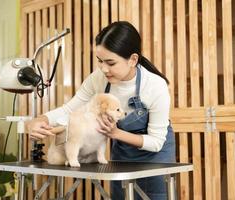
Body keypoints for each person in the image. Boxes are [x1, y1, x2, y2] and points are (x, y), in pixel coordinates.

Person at [28, 21, 175, 200]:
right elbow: (70, 109)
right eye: (100, 61)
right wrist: (40, 120)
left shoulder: (154, 86)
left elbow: (156, 142)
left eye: (111, 63)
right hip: (122, 154)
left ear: (133, 59)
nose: (104, 69)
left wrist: (116, 133)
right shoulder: (98, 79)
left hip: (155, 158)